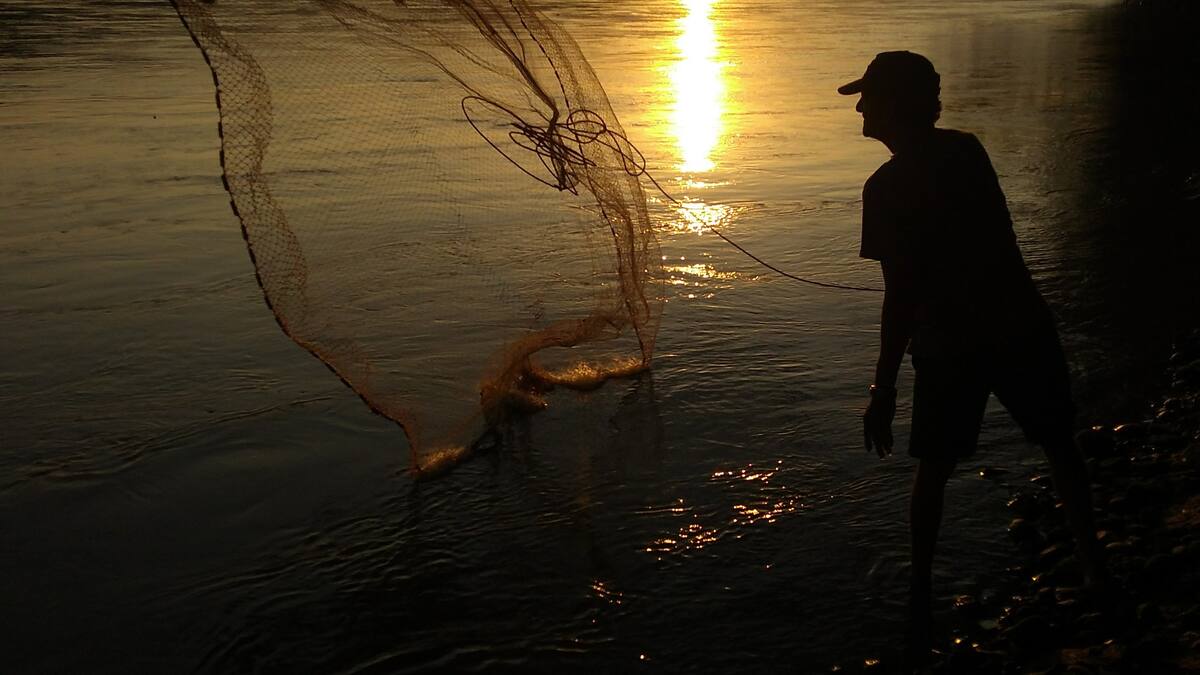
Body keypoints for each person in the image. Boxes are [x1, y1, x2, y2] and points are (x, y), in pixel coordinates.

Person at [838, 51, 1108, 652]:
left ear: (897, 105)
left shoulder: (884, 187)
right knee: (1059, 443)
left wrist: (882, 388)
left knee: (934, 468)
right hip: (1020, 324)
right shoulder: (967, 151)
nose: (859, 107)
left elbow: (899, 296)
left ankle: (919, 598)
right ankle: (1094, 567)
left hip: (953, 344)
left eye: (869, 97)